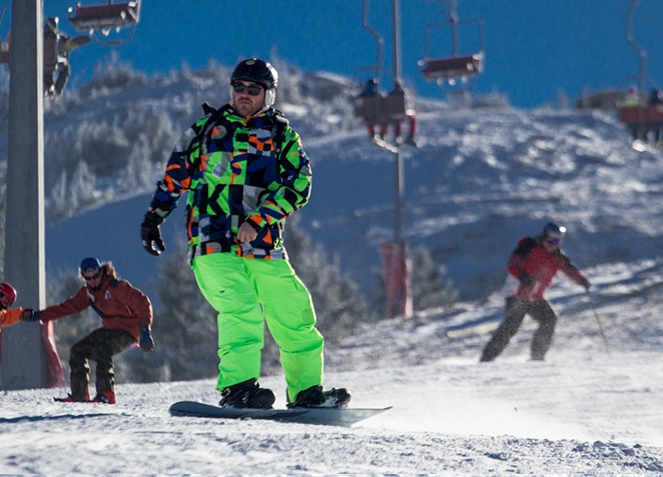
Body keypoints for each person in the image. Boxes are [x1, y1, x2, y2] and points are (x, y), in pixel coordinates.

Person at [140, 57, 350, 410]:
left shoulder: (281, 134)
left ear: (268, 94)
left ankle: (306, 393)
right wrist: (154, 217)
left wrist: (261, 219)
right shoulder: (207, 130)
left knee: (293, 310)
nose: (244, 95)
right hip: (212, 240)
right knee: (241, 309)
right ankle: (238, 389)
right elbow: (175, 176)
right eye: (239, 87)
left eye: (254, 89)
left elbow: (300, 183)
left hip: (263, 244)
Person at [25, 257, 154, 404]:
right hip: (110, 329)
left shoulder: (116, 287)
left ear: (101, 272)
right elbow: (67, 307)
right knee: (77, 350)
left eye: (96, 276)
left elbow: (143, 302)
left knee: (103, 349)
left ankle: (106, 394)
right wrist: (40, 315)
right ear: (83, 278)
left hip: (130, 330)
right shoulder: (88, 293)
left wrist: (145, 329)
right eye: (88, 278)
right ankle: (79, 394)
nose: (93, 281)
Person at [480, 223, 591, 362]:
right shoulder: (528, 247)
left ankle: (537, 358)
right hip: (517, 296)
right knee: (510, 328)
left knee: (549, 319)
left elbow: (570, 270)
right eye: (550, 241)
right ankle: (487, 359)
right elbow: (512, 265)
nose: (553, 245)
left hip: (535, 298)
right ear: (544, 237)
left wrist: (582, 281)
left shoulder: (557, 257)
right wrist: (522, 276)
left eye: (557, 242)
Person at [390, 80, 418, 147]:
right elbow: (407, 103)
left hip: (392, 115)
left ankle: (397, 136)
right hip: (402, 113)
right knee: (413, 119)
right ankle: (410, 137)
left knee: (397, 120)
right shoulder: (403, 93)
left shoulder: (390, 94)